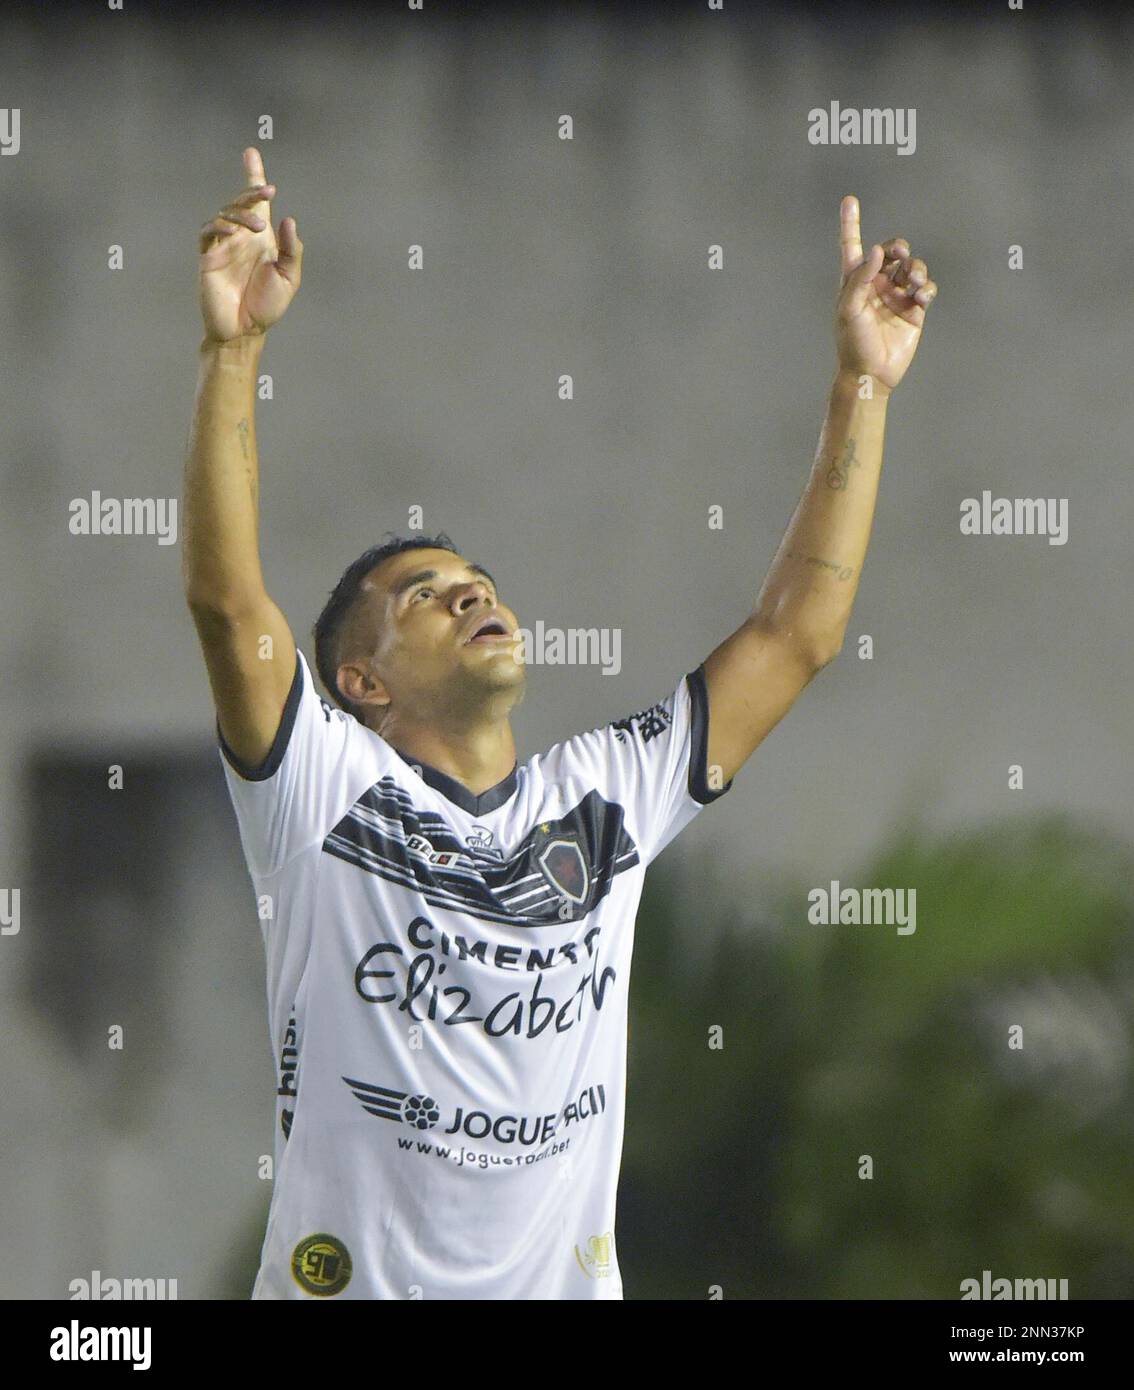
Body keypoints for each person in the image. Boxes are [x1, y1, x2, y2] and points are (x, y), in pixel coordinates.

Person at [183, 146, 936, 1300]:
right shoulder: (320, 793)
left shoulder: (605, 798)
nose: (471, 593)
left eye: (477, 579)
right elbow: (231, 604)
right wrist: (233, 350)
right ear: (361, 682)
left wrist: (864, 386)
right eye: (423, 595)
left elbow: (796, 638)